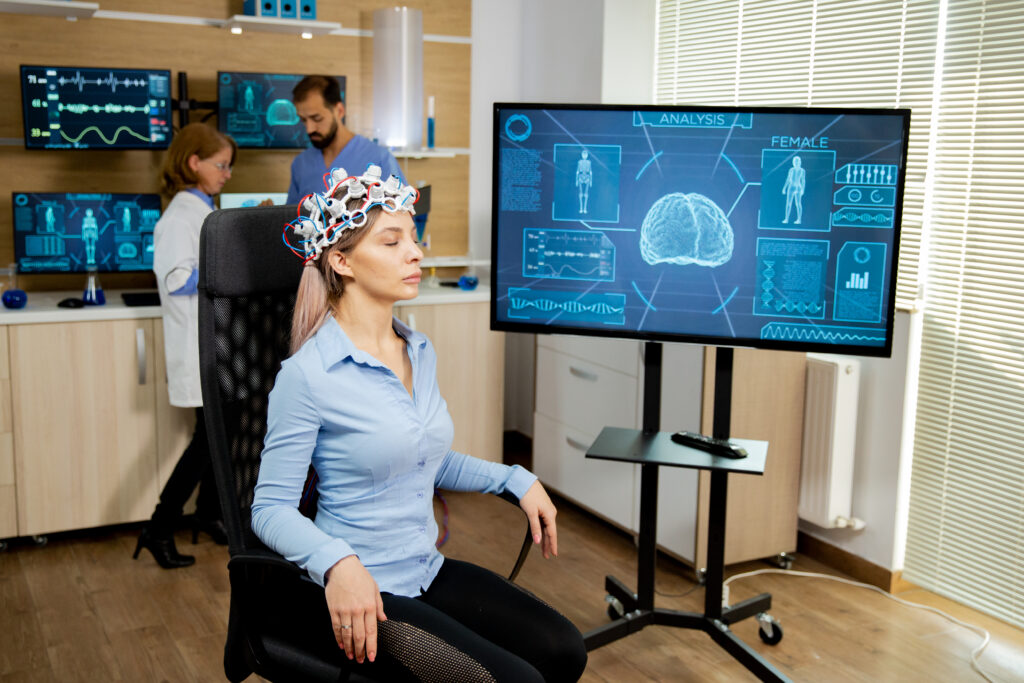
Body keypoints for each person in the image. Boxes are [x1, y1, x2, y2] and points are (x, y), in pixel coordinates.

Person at [252, 166, 588, 681]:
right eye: (392, 242)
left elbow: (424, 457)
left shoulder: (418, 349)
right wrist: (337, 563)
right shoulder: (308, 376)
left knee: (564, 651)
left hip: (426, 569)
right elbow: (270, 509)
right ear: (341, 261)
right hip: (365, 591)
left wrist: (514, 478)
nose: (415, 253)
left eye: (413, 237)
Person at [133, 123, 236, 569]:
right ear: (194, 163)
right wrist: (229, 266)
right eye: (221, 165)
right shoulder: (179, 217)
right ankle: (158, 529)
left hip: (217, 344)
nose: (227, 174)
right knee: (208, 440)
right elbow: (177, 280)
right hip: (198, 348)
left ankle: (209, 514)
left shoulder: (201, 209)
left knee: (222, 435)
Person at [286, 75, 404, 204]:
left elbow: (402, 211)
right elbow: (292, 214)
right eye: (303, 120)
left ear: (339, 111)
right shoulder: (301, 164)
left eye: (317, 118)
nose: (309, 129)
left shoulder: (380, 159)